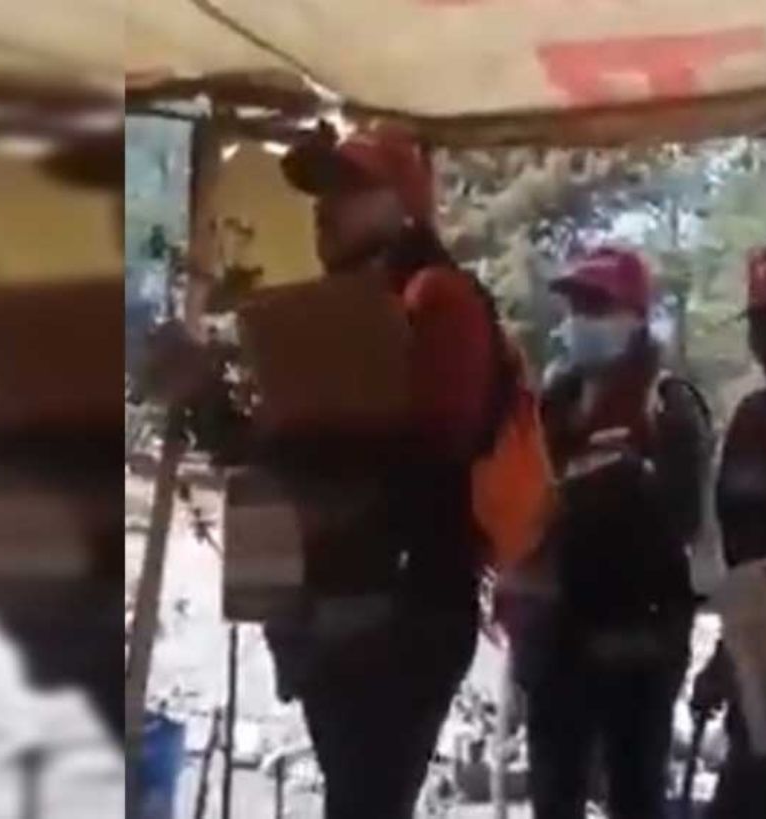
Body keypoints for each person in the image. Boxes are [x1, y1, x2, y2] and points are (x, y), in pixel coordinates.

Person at [254, 123, 504, 818]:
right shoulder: (330, 314)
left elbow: (428, 454)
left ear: (405, 206)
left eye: (348, 188)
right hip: (337, 605)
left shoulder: (438, 298)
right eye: (320, 191)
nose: (323, 207)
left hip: (403, 609)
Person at [504, 247, 711, 819]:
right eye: (575, 307)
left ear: (636, 315)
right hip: (558, 637)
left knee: (635, 792)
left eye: (596, 306)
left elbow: (685, 518)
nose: (581, 320)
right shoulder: (555, 400)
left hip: (639, 637)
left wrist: (612, 488)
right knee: (555, 794)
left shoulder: (668, 405)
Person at [698, 239, 766, 819]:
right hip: (762, 678)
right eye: (759, 323)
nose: (763, 341)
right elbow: (746, 569)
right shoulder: (754, 421)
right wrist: (725, 660)